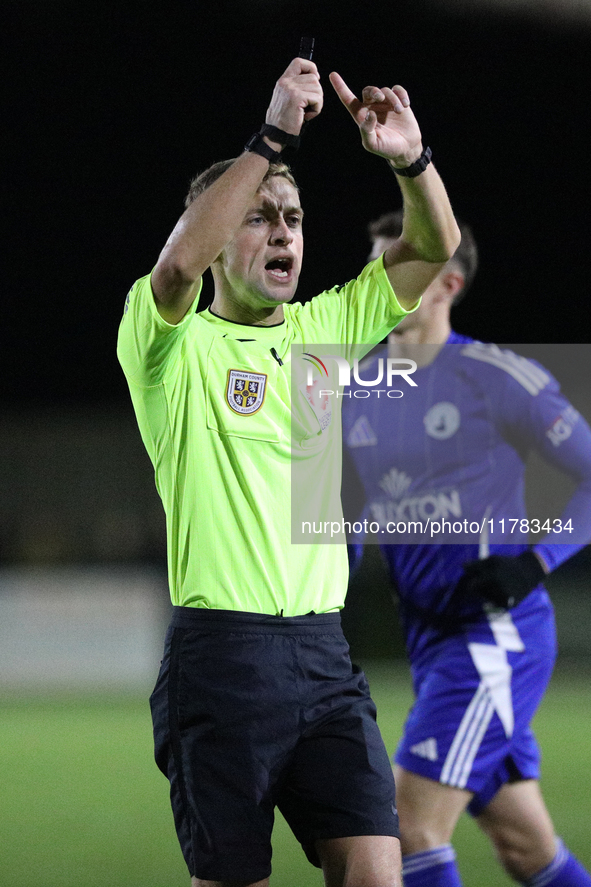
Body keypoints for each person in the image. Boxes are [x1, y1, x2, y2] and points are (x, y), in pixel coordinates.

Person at [117, 55, 460, 887]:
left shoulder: (324, 332)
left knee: (380, 873)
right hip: (222, 658)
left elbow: (431, 246)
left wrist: (410, 161)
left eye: (294, 218)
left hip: (323, 655)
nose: (282, 232)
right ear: (215, 228)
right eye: (260, 216)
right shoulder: (171, 344)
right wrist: (270, 138)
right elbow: (173, 271)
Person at [342, 210, 591, 887]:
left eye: (401, 264)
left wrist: (533, 563)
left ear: (448, 281)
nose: (381, 279)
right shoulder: (353, 389)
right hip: (431, 643)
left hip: (490, 641)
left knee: (406, 825)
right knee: (525, 846)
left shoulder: (494, 375)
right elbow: (351, 512)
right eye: (375, 264)